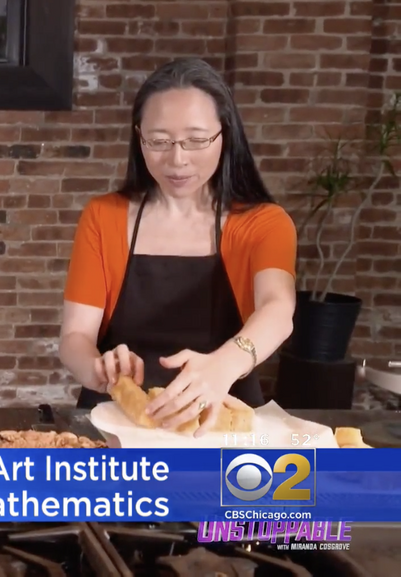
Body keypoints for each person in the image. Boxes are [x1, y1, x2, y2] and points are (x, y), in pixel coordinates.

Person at [58, 57, 297, 435]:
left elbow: (278, 308)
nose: (177, 159)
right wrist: (99, 368)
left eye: (196, 140)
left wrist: (222, 367)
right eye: (159, 141)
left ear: (225, 135)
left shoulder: (263, 223)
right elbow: (74, 338)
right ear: (139, 138)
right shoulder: (103, 217)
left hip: (223, 427)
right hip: (116, 424)